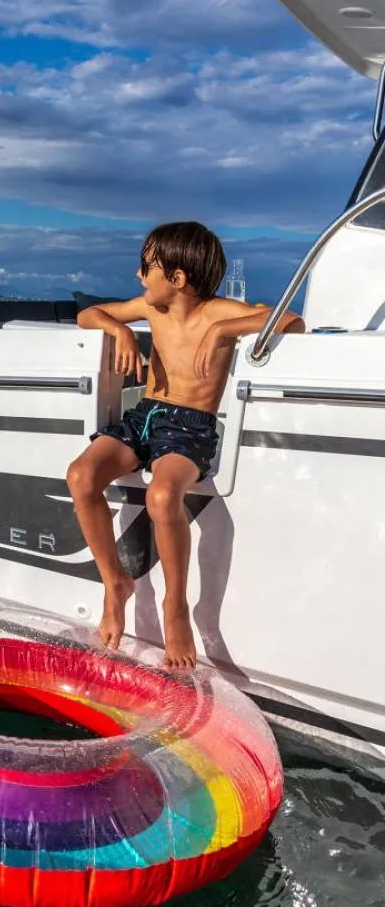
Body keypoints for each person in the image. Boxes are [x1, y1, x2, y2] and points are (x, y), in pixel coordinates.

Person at [67, 221, 304, 669]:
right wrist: (118, 331)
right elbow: (89, 315)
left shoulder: (218, 314)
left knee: (162, 494)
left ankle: (175, 608)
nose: (139, 276)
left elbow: (292, 321)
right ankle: (115, 582)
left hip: (189, 427)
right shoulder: (149, 309)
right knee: (81, 476)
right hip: (147, 416)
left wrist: (223, 332)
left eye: (146, 267)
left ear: (176, 279)